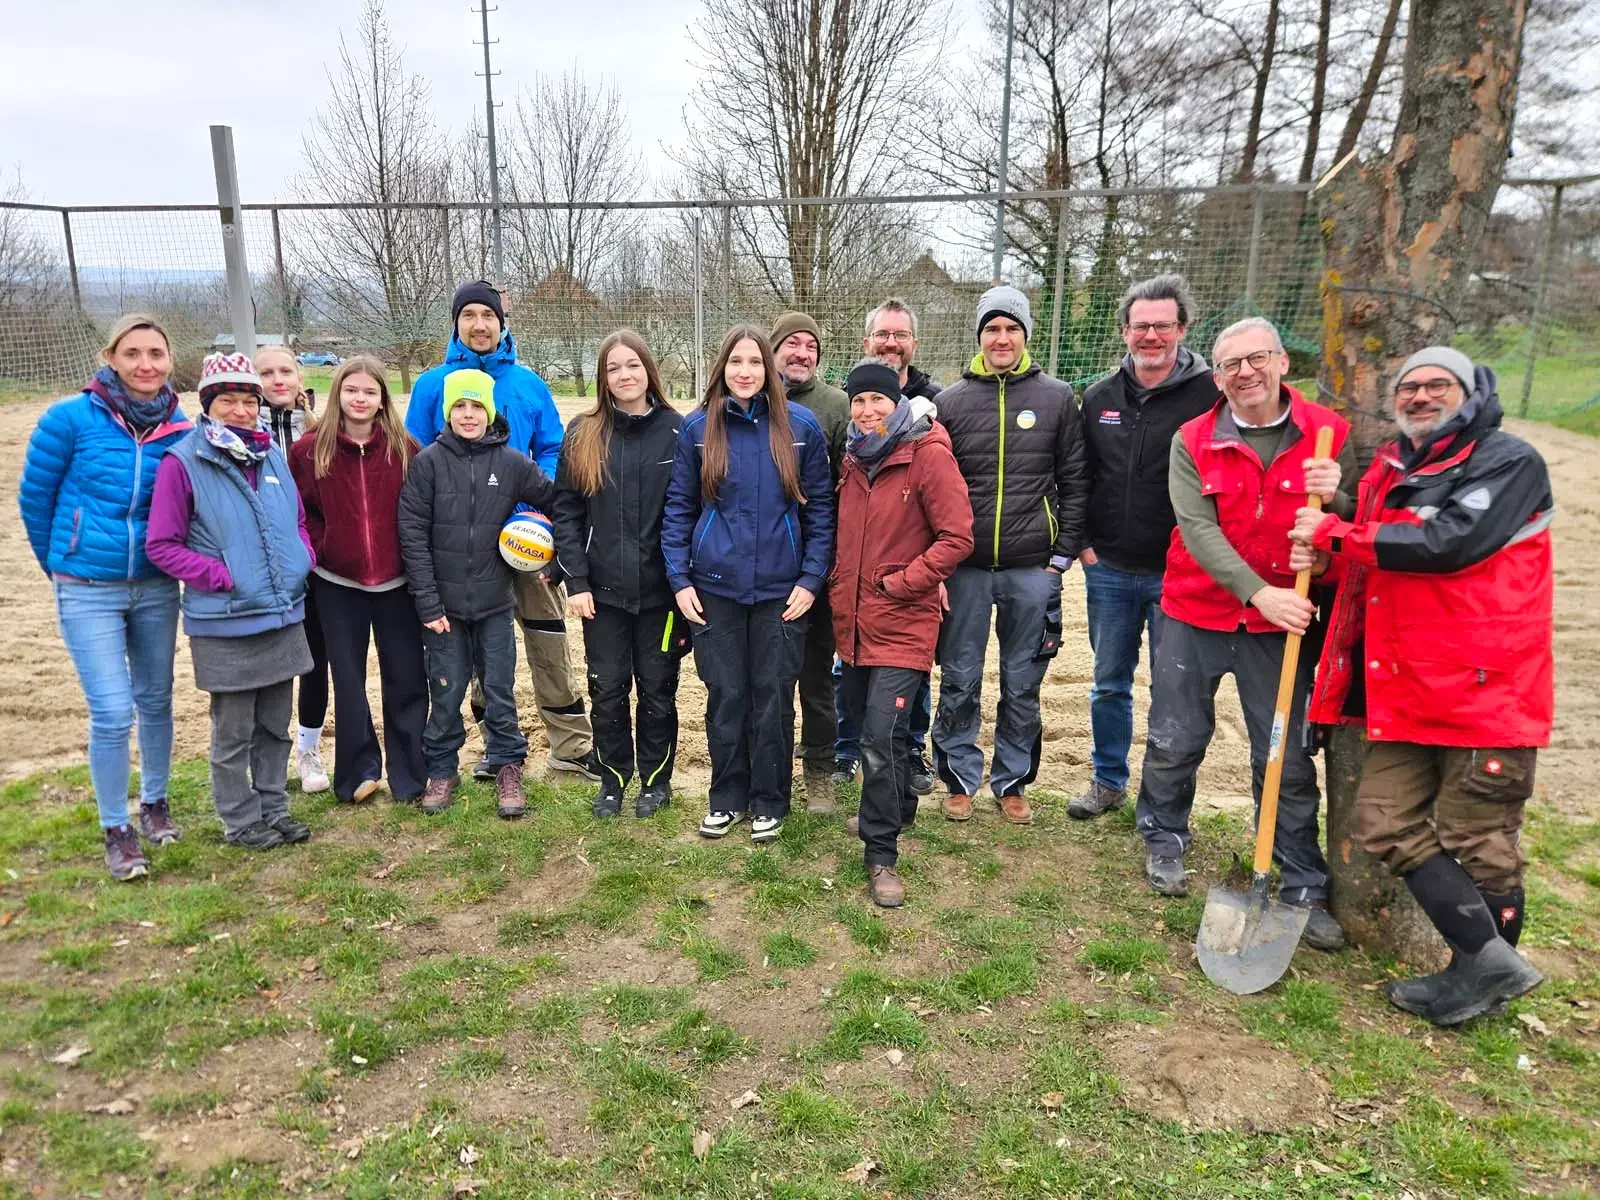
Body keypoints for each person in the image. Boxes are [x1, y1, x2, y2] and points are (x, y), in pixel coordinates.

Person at [1291, 347, 1551, 1024]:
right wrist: (1341, 501)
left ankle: (1482, 979)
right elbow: (1374, 525)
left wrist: (1337, 528)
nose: (1421, 396)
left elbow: (1447, 541)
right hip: (1404, 688)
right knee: (1382, 817)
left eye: (1439, 385)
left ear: (1468, 393)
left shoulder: (1506, 461)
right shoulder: (1394, 464)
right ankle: (1486, 964)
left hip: (1482, 686)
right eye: (1410, 387)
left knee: (1480, 836)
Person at [1133, 317, 1356, 950]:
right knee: (1176, 736)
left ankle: (1301, 881)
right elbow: (1198, 530)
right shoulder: (1193, 439)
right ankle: (1164, 837)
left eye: (1256, 359)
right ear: (1217, 376)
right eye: (1229, 365)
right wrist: (1259, 591)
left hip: (1284, 624)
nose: (1244, 374)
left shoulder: (1328, 436)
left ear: (1283, 362)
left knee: (1281, 753)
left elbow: (1354, 524)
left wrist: (1336, 503)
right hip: (1196, 610)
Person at [18, 314, 191, 881]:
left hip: (156, 584)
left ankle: (156, 804)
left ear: (169, 361)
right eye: (134, 353)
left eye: (156, 354)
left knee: (156, 698)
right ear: (111, 356)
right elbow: (35, 501)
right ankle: (116, 827)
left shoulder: (181, 430)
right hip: (87, 587)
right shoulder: (68, 420)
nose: (146, 364)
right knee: (113, 710)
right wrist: (63, 563)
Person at [405, 280, 599, 782]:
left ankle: (571, 746)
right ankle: (497, 749)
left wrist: (539, 509)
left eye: (487, 316)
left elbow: (554, 447)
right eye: (468, 315)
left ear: (502, 322)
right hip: (464, 550)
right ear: (456, 323)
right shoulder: (432, 386)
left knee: (548, 637)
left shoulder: (528, 384)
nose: (479, 324)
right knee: (474, 652)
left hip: (528, 542)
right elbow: (419, 459)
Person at [662, 324, 834, 843]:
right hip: (715, 588)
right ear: (722, 367)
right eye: (736, 362)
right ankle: (727, 797)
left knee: (773, 697)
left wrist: (810, 578)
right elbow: (678, 509)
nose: (745, 372)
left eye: (755, 363)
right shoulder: (697, 430)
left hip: (783, 593)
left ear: (769, 370)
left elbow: (822, 511)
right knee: (726, 695)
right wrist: (679, 578)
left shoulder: (800, 428)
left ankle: (769, 800)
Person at [931, 285, 1088, 824]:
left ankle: (1013, 780)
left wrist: (1061, 555)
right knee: (960, 676)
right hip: (966, 570)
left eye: (1011, 329)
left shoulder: (1058, 398)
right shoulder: (951, 403)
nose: (1002, 338)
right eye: (992, 329)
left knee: (1023, 682)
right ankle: (957, 778)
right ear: (980, 336)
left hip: (1031, 567)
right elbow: (935, 487)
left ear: (1025, 335)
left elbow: (1074, 479)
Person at [146, 354, 315, 850]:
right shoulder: (184, 462)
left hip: (282, 613)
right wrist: (221, 578)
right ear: (208, 405)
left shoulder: (271, 456)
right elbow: (163, 545)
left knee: (275, 725)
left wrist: (302, 557)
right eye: (228, 401)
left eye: (248, 401)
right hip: (227, 622)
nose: (241, 411)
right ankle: (240, 820)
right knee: (233, 729)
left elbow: (298, 520)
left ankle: (273, 806)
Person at [1069, 275, 1220, 820]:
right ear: (1125, 332)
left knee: (1174, 691)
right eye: (1140, 326)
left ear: (1182, 329)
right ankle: (1108, 780)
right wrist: (1085, 547)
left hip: (1178, 574)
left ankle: (1162, 803)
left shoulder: (1211, 396)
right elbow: (1078, 476)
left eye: (1162, 325)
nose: (1151, 335)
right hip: (1107, 567)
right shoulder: (1100, 396)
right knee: (1109, 684)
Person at [832, 359, 972, 907]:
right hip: (856, 623)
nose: (868, 412)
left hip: (904, 620)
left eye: (878, 401)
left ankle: (881, 854)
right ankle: (895, 810)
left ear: (898, 404)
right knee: (876, 731)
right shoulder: (850, 461)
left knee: (881, 736)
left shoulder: (927, 455)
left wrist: (905, 583)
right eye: (859, 402)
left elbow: (957, 537)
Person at [398, 368, 559, 819]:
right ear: (448, 412)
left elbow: (556, 500)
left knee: (500, 690)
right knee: (445, 691)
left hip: (494, 605)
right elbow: (411, 532)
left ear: (490, 412)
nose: (469, 415)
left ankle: (508, 764)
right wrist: (428, 603)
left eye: (477, 407)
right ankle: (443, 768)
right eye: (460, 407)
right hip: (444, 610)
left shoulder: (510, 463)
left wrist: (556, 551)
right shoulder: (427, 463)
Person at [552, 331, 686, 820]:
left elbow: (689, 511)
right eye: (613, 368)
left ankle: (655, 781)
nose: (624, 375)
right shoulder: (582, 432)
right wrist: (577, 581)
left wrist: (683, 583)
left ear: (649, 370)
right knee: (607, 690)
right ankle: (612, 779)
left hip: (663, 597)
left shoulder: (680, 431)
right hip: (601, 597)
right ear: (602, 378)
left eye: (633, 365)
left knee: (658, 689)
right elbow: (565, 511)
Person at [288, 356, 427, 806]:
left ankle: (410, 774)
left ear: (383, 398)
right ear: (337, 394)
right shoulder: (310, 450)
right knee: (347, 681)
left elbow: (420, 513)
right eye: (352, 391)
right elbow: (301, 512)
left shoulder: (406, 449)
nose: (360, 399)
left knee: (405, 679)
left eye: (370, 392)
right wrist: (320, 548)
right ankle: (357, 773)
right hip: (336, 582)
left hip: (396, 583)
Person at [832, 298, 942, 792]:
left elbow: (947, 518)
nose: (891, 342)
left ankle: (908, 755)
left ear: (913, 345)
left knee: (905, 684)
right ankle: (851, 750)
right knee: (852, 677)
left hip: (907, 586)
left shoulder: (934, 420)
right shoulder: (850, 427)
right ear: (867, 342)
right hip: (857, 587)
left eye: (900, 335)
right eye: (882, 335)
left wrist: (925, 577)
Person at [770, 312, 850, 812]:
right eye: (791, 344)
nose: (801, 353)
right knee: (770, 680)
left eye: (810, 346)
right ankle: (771, 769)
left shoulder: (835, 405)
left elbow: (842, 491)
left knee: (818, 678)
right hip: (764, 567)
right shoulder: (751, 398)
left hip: (818, 567)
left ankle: (820, 769)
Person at [255, 344, 331, 796]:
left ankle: (308, 750)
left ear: (300, 377)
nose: (278, 380)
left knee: (313, 660)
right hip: (264, 568)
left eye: (286, 371)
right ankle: (264, 755)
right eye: (267, 372)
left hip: (312, 564)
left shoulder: (318, 430)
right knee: (267, 665)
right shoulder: (242, 429)